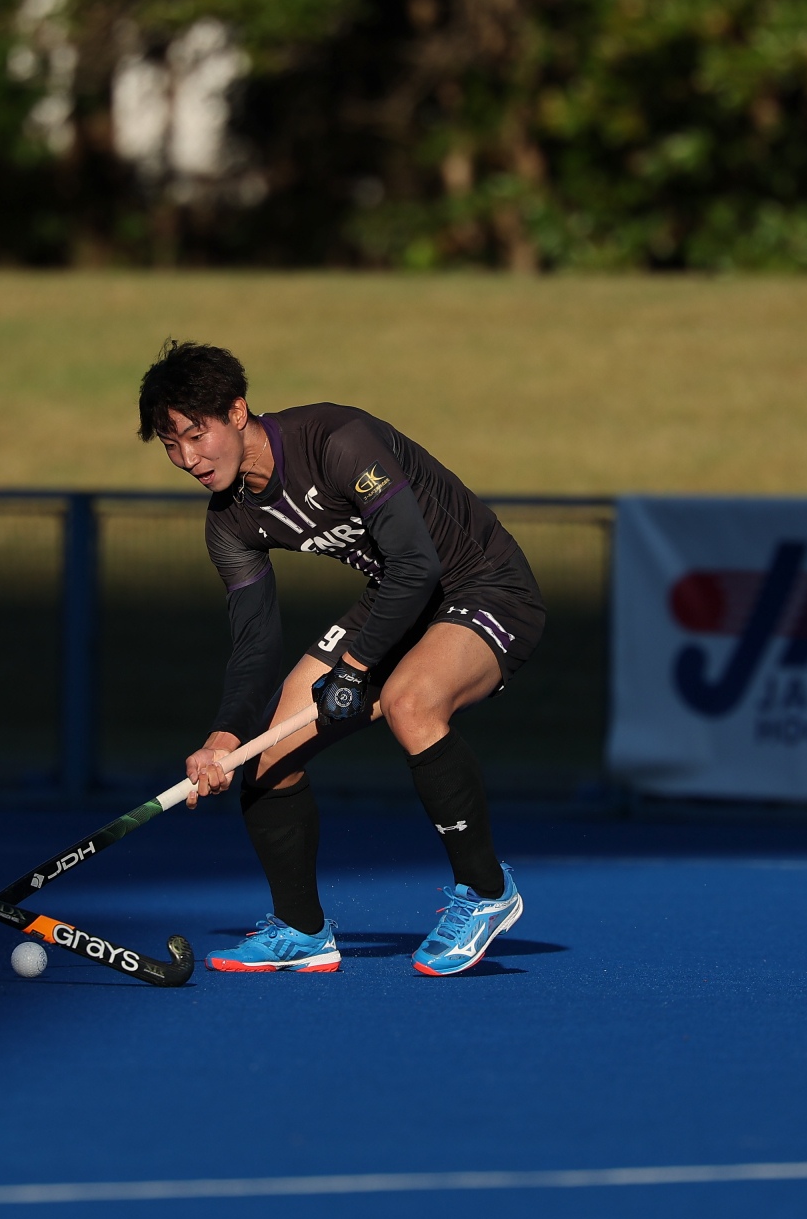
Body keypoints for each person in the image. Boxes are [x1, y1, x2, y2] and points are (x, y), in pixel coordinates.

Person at [138, 340, 545, 976]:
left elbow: (417, 563)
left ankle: (487, 890)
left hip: (485, 587)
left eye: (197, 435)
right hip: (398, 603)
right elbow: (256, 639)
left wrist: (354, 669)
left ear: (237, 412)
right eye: (172, 445)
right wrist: (224, 736)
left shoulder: (338, 441)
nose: (189, 459)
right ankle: (302, 929)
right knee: (269, 754)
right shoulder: (229, 523)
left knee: (411, 702)